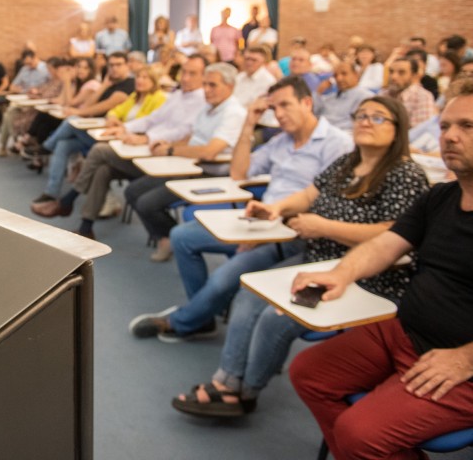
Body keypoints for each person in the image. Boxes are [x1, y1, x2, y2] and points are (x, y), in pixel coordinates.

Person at [171, 96, 429, 418]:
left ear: (398, 129)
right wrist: (276, 208)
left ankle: (247, 391)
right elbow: (309, 195)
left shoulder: (405, 175)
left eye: (378, 118)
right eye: (361, 115)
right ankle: (227, 379)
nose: (365, 121)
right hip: (317, 257)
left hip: (366, 275)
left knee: (273, 316)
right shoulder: (348, 162)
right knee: (248, 295)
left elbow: (395, 235)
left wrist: (324, 226)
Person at [289, 78, 473, 459]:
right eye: (444, 126)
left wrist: (465, 358)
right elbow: (386, 245)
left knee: (359, 432)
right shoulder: (440, 197)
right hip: (406, 333)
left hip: (462, 359)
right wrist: (341, 274)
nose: (450, 137)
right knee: (307, 372)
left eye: (467, 127)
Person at [129, 76, 353, 333]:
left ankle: (183, 322)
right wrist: (248, 125)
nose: (278, 114)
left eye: (285, 105)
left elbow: (325, 202)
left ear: (306, 102)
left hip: (293, 231)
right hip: (261, 220)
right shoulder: (281, 141)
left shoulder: (337, 144)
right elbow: (238, 173)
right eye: (273, 108)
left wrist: (270, 230)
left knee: (223, 279)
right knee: (181, 237)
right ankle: (201, 316)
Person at [31, 58, 207, 236]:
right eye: (183, 72)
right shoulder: (177, 95)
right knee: (102, 170)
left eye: (192, 74)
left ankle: (68, 200)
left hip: (160, 154)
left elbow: (183, 131)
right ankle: (86, 226)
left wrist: (146, 137)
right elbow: (151, 119)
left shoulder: (197, 100)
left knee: (98, 149)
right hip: (144, 146)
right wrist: (123, 127)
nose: (185, 78)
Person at [123, 62, 247, 260]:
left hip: (208, 174)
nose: (206, 90)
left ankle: (171, 236)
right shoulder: (207, 107)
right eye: (205, 84)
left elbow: (209, 152)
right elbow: (192, 137)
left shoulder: (234, 112)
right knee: (133, 191)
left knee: (147, 203)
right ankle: (168, 236)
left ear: (230, 87)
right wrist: (168, 144)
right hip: (186, 165)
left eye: (213, 85)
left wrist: (172, 150)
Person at [28, 53, 136, 199]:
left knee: (71, 120)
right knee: (62, 145)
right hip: (94, 130)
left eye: (119, 65)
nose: (114, 69)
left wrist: (79, 112)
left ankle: (46, 147)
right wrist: (104, 86)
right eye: (111, 65)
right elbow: (91, 104)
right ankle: (51, 192)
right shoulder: (110, 83)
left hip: (108, 137)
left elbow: (104, 106)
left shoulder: (128, 85)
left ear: (127, 66)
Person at [314, 61, 375, 132]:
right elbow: (313, 114)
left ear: (356, 75)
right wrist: (318, 92)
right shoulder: (329, 97)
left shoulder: (366, 97)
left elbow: (357, 124)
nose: (339, 79)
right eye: (335, 75)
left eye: (344, 74)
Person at [387, 56, 437, 128]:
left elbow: (417, 132)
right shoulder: (384, 94)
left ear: (414, 76)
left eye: (401, 72)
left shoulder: (423, 97)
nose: (393, 77)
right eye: (391, 72)